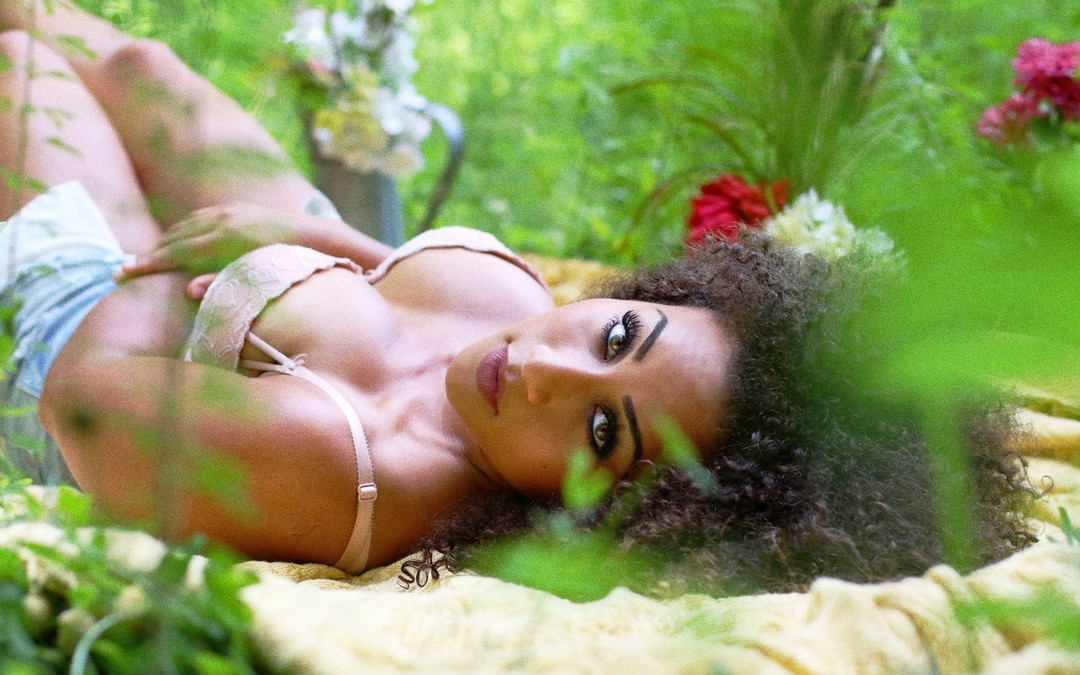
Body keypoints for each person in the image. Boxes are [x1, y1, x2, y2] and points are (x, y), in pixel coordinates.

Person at [0, 1, 1035, 594]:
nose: (540, 364)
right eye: (618, 333)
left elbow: (83, 403)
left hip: (98, 342)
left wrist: (141, 258)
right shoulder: (506, 345)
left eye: (601, 432)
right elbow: (394, 283)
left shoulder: (352, 466)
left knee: (25, 67)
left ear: (610, 510)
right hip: (288, 279)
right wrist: (333, 245)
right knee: (139, 66)